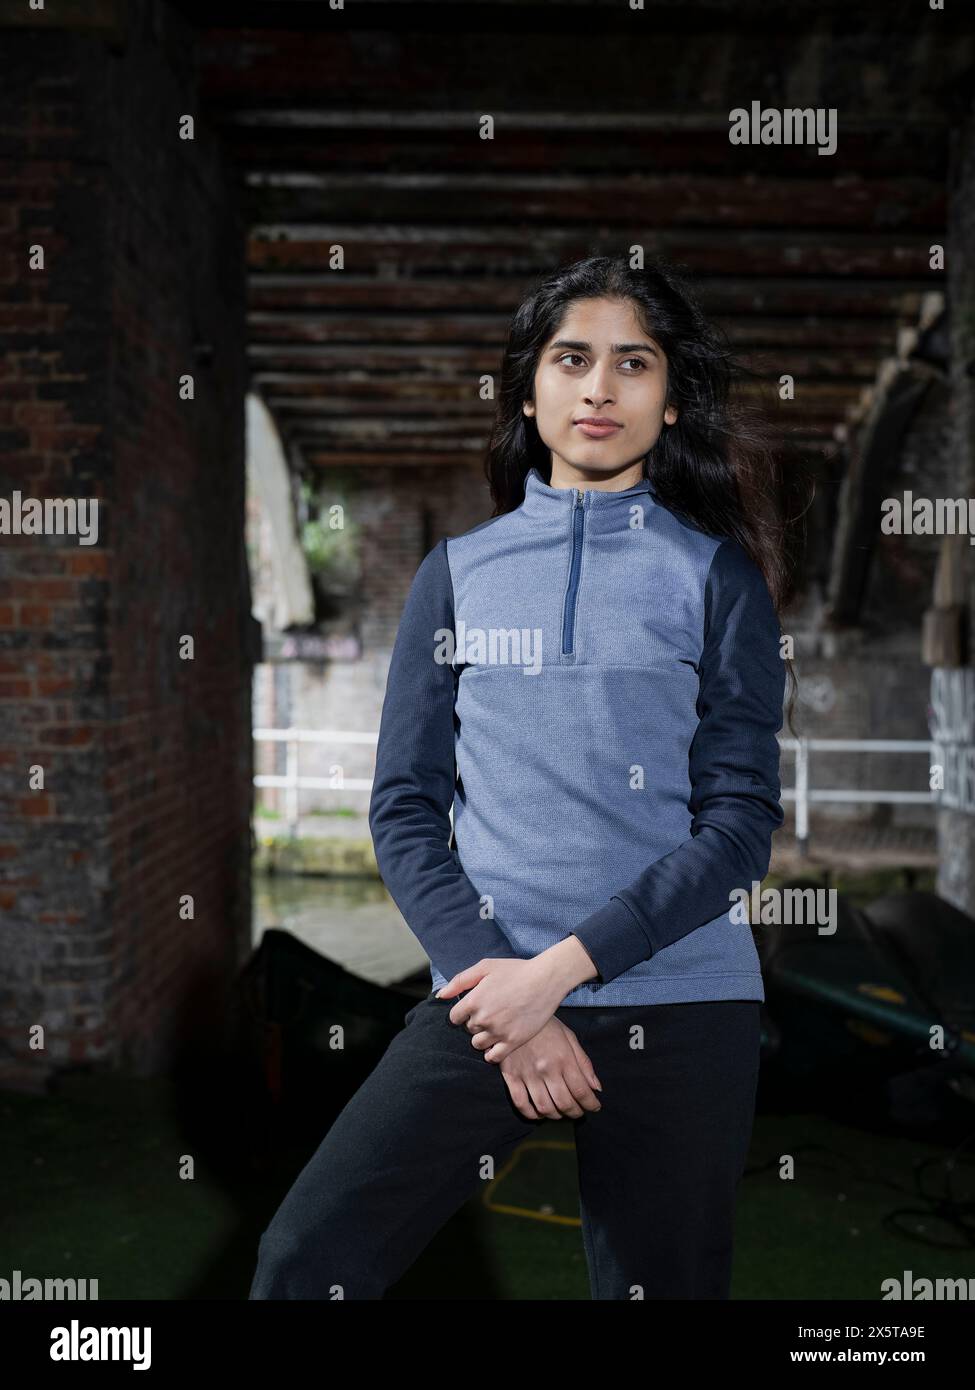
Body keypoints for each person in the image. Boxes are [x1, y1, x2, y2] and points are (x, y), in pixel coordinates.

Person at [248, 253, 804, 1301]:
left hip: (684, 1007)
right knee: (306, 1261)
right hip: (485, 992)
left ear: (672, 401)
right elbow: (405, 811)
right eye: (573, 359)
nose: (600, 388)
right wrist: (510, 996)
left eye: (634, 364)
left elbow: (736, 832)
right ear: (530, 389)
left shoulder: (719, 579)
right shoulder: (456, 574)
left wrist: (557, 975)